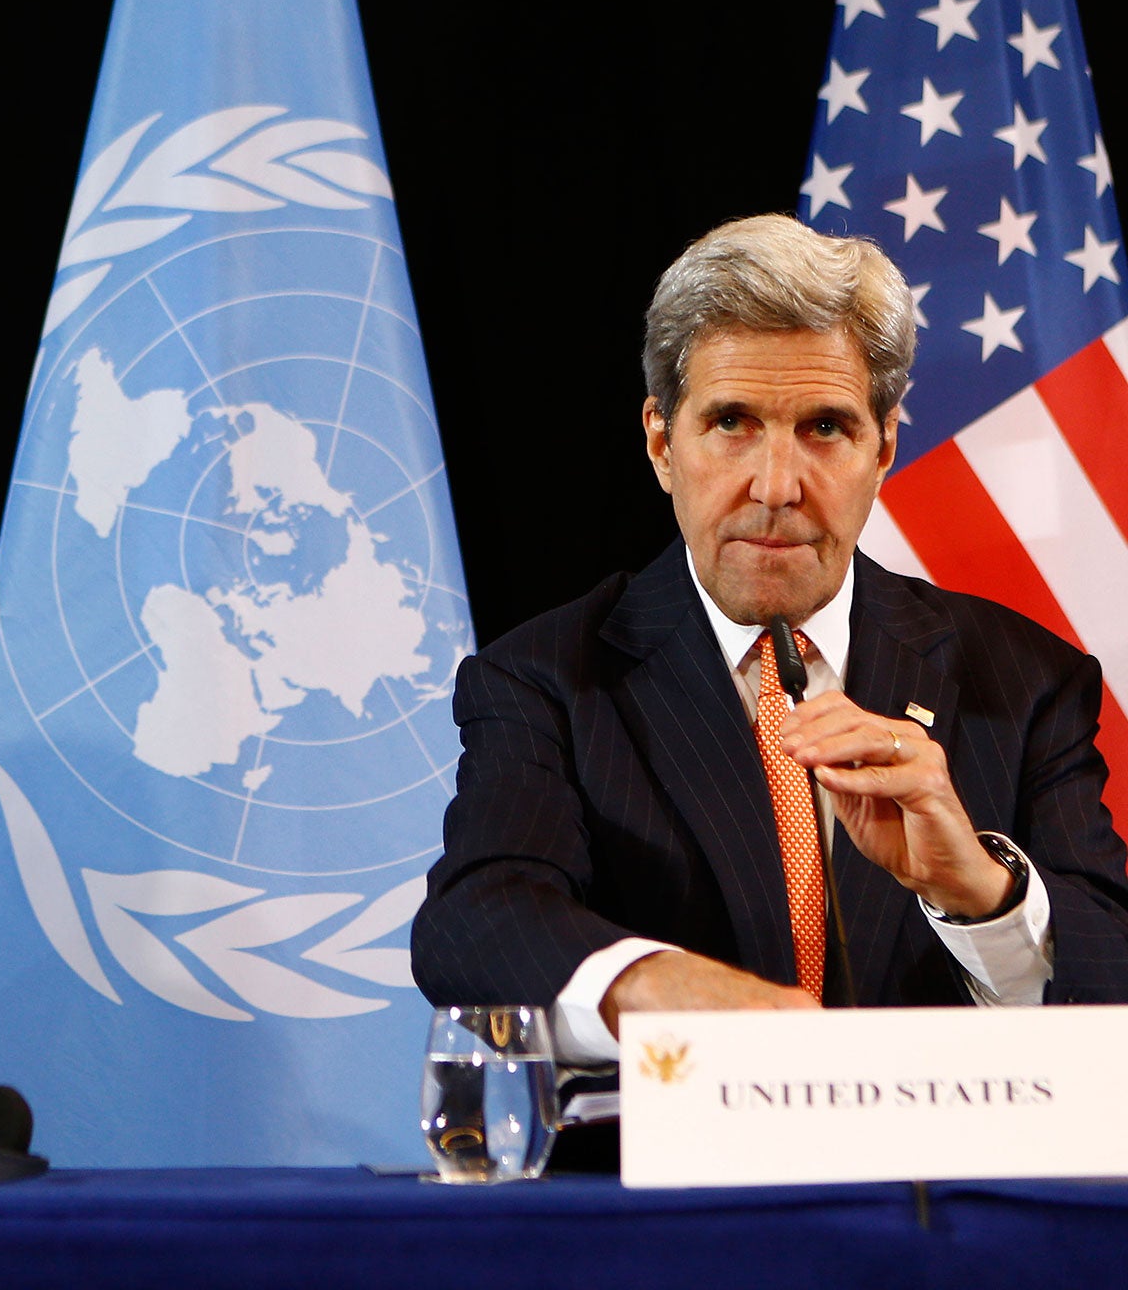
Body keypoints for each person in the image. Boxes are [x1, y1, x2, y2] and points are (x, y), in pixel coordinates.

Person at [411, 215, 1128, 1067]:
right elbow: (477, 916)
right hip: (657, 1194)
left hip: (937, 1193)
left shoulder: (1023, 679)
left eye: (825, 428)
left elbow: (1110, 971)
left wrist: (978, 891)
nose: (777, 485)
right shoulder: (547, 678)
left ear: (885, 446)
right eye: (732, 422)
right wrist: (670, 990)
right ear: (660, 443)